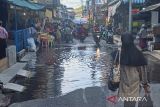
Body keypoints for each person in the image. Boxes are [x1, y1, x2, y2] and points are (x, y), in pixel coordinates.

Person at [118, 32, 150, 107]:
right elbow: (143, 72)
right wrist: (145, 84)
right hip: (135, 85)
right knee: (131, 103)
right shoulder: (138, 53)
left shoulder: (120, 54)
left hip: (124, 84)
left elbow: (117, 69)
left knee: (127, 103)